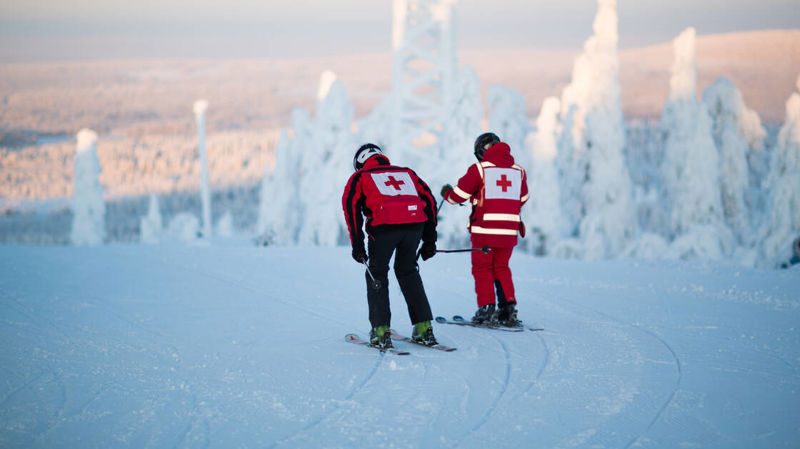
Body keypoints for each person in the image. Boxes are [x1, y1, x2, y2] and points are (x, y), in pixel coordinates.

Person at [342, 143, 439, 349]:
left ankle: (380, 331)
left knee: (376, 274)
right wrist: (429, 239)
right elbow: (429, 200)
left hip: (384, 228)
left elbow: (351, 210)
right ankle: (424, 328)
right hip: (414, 227)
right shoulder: (406, 173)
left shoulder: (360, 177)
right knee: (408, 271)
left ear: (360, 162)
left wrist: (357, 245)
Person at [441, 132, 529, 325]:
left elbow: (458, 196)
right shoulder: (518, 171)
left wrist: (447, 193)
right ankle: (508, 309)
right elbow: (523, 198)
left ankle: (486, 309)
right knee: (502, 268)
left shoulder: (480, 169)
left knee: (482, 268)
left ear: (481, 151)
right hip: (509, 232)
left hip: (484, 231)